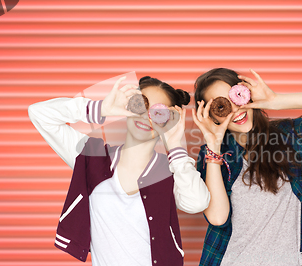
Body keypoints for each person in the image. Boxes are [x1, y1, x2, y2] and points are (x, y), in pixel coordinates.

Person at [28, 75, 210, 266]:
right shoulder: (92, 157)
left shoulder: (172, 170)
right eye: (140, 105)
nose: (145, 117)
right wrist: (101, 109)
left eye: (158, 113)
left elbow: (197, 203)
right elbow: (39, 113)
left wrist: (175, 146)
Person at [191, 68, 302, 266]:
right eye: (222, 106)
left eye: (238, 97)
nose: (236, 111)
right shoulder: (212, 155)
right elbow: (218, 218)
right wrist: (214, 144)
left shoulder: (286, 136)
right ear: (211, 116)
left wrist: (276, 100)